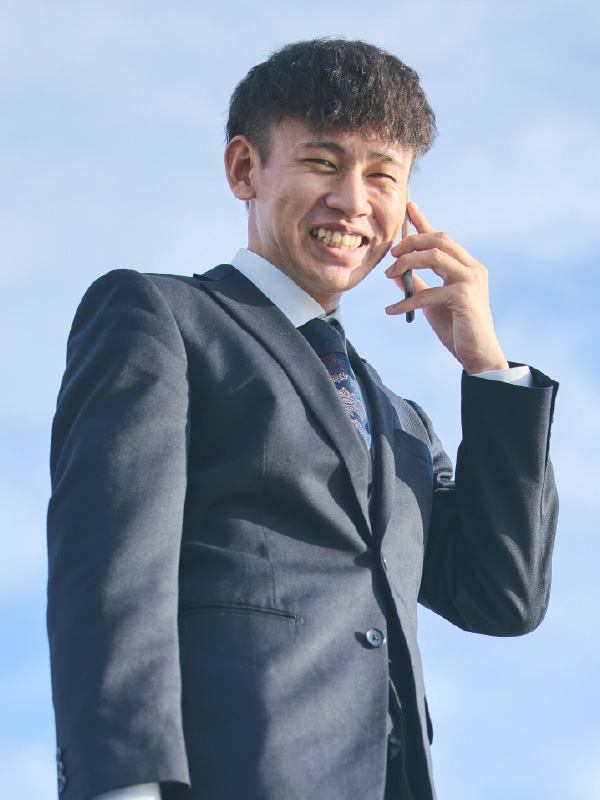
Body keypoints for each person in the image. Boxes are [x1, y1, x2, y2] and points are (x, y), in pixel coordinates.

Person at [47, 39, 559, 800]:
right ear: (244, 169)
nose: (353, 201)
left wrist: (489, 369)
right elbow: (110, 569)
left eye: (383, 175)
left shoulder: (402, 423)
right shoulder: (161, 316)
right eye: (323, 162)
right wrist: (122, 785)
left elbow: (504, 594)